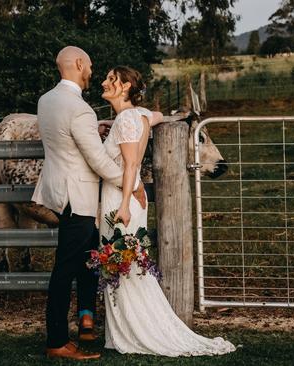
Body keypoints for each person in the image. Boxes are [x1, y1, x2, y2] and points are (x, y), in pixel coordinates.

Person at [98, 66, 237, 357]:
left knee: (121, 264)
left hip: (120, 198)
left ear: (124, 87)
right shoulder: (141, 115)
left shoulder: (126, 120)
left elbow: (131, 165)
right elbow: (157, 117)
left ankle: (133, 333)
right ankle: (127, 330)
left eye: (111, 79)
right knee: (131, 265)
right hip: (133, 198)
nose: (104, 82)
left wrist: (123, 204)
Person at [31, 46, 151, 360]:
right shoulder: (80, 109)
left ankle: (84, 323)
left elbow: (67, 142)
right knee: (65, 269)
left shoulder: (46, 101)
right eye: (91, 67)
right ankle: (57, 340)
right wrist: (134, 184)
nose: (93, 73)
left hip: (59, 194)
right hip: (80, 198)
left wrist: (96, 132)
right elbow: (97, 160)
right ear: (80, 64)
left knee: (82, 263)